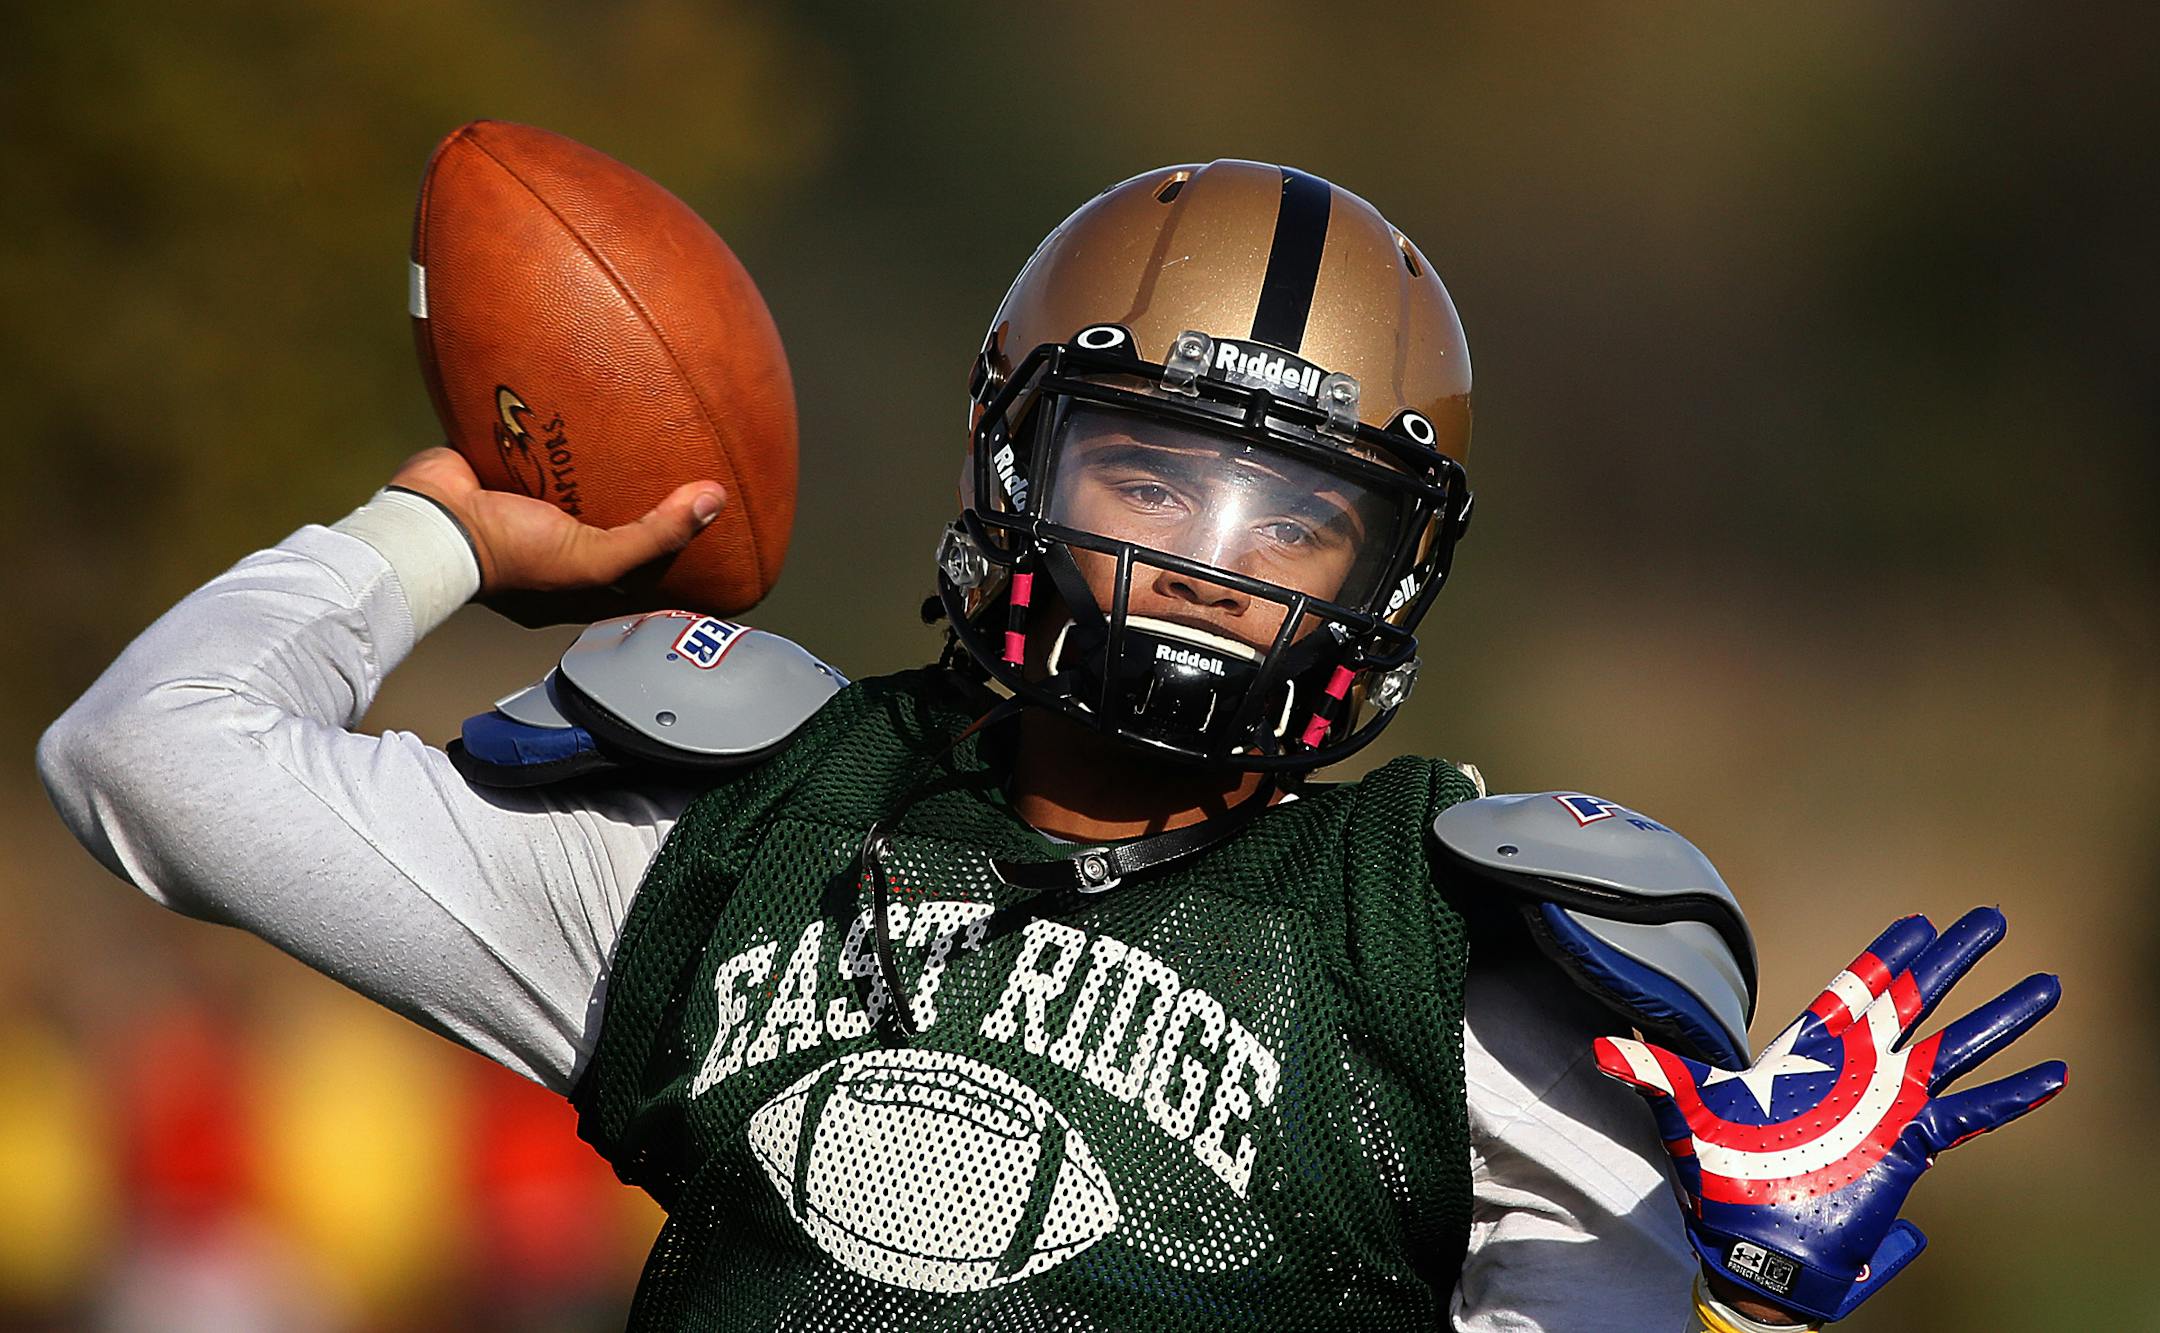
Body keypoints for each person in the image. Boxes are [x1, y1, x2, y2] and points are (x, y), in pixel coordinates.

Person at [39, 160, 2062, 1332]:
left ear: (1388, 584)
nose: (1206, 564)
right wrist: (448, 531)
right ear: (1012, 460)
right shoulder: (732, 823)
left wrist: (1718, 1292)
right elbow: (148, 756)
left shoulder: (1447, 963)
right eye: (1151, 478)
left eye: (1299, 524)